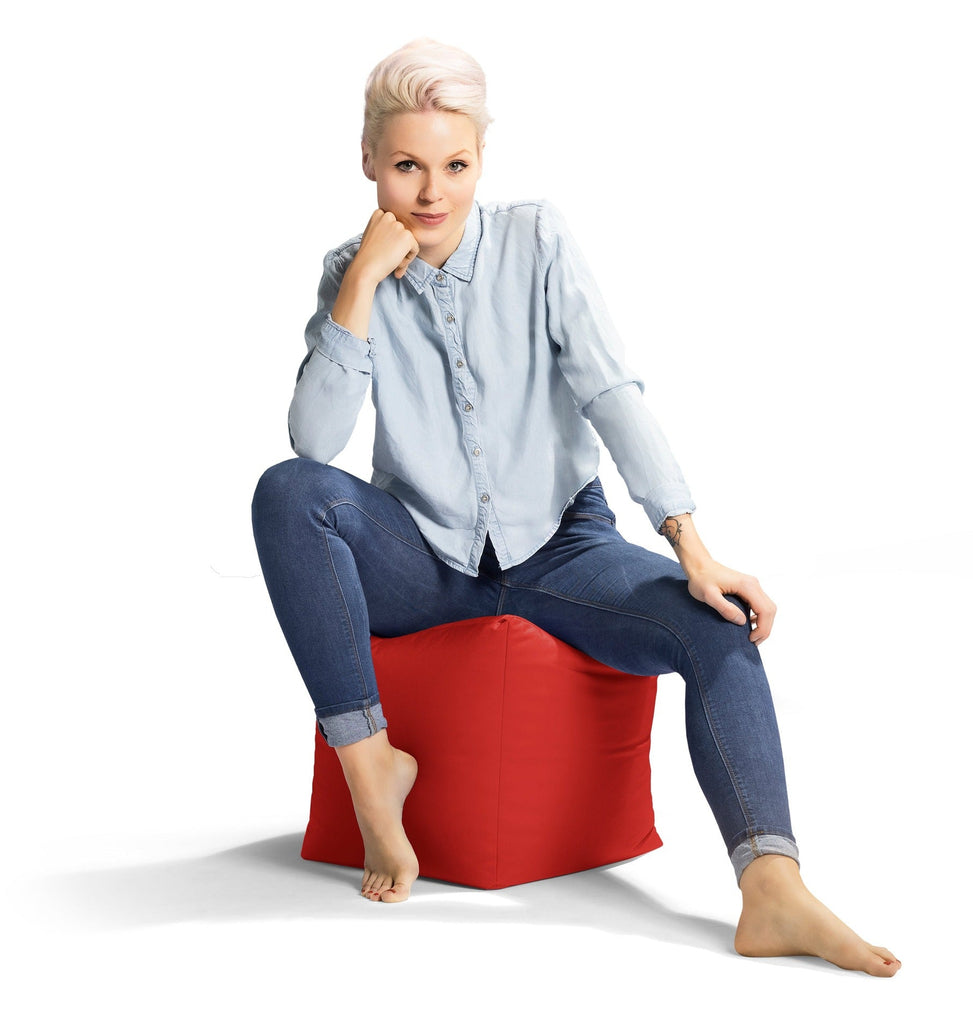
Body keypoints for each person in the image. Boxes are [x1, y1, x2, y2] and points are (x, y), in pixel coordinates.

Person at [251, 39, 901, 977]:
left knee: (715, 626)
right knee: (287, 492)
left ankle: (772, 888)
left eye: (456, 165)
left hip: (562, 550)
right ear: (369, 163)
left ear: (482, 158)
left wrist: (692, 546)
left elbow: (611, 391)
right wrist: (360, 284)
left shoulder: (537, 241)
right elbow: (315, 443)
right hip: (423, 563)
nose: (432, 193)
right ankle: (370, 770)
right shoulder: (348, 272)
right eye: (407, 167)